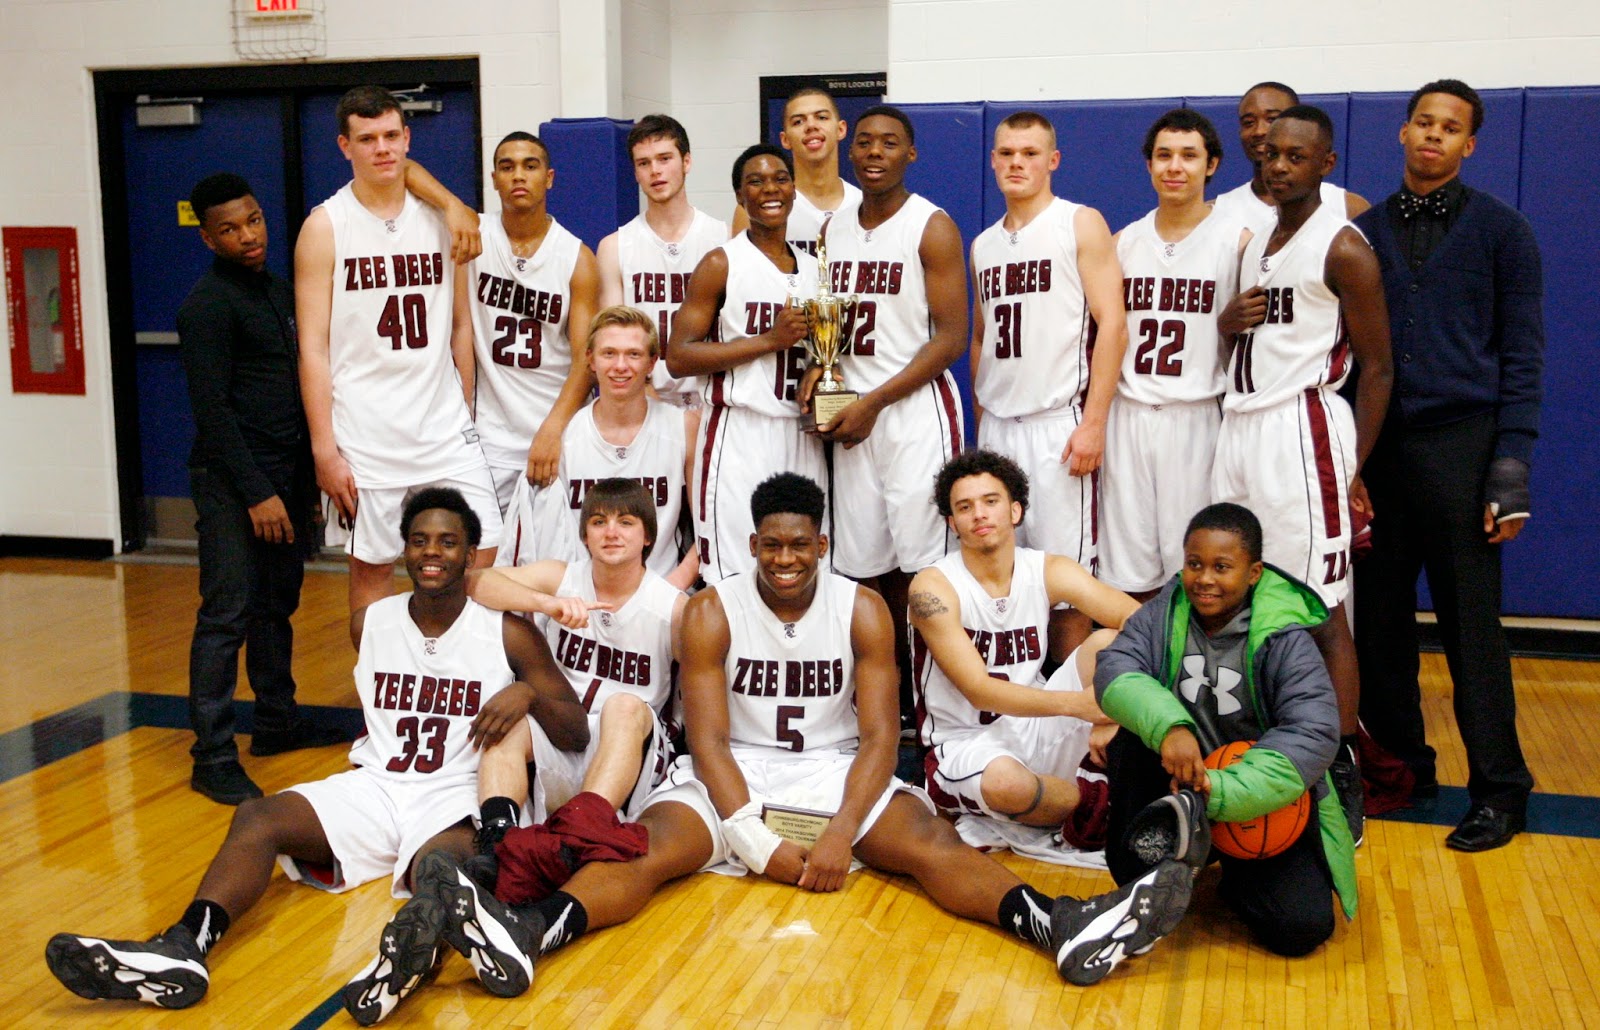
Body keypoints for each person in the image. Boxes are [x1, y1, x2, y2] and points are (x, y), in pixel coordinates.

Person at [44, 489, 588, 1019]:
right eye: (419, 540)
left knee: (441, 873)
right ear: (403, 549)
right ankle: (184, 945)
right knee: (258, 817)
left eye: (448, 543)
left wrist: (530, 694)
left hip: (455, 792)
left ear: (471, 555)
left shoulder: (507, 634)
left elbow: (576, 732)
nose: (431, 552)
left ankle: (406, 965)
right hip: (377, 785)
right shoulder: (370, 623)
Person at [1352, 79, 1543, 852]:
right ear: (1403, 133)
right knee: (1382, 626)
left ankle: (1501, 790)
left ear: (1469, 145)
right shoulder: (1361, 234)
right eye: (1423, 122)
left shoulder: (1505, 232)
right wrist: (1352, 463)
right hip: (1382, 449)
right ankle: (1405, 769)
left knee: (1472, 630)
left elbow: (1523, 356)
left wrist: (1511, 467)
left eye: (1451, 127)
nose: (1434, 135)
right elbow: (1347, 359)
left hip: (1464, 446)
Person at [1214, 105, 1394, 845]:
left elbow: (1379, 367)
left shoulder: (1343, 246)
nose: (1277, 164)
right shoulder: (1258, 241)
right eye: (1269, 154)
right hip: (1241, 424)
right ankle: (1272, 742)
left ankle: (1341, 765)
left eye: (1295, 156)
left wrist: (1352, 468)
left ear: (1325, 163)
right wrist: (1228, 323)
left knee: (1321, 610)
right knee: (1252, 596)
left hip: (1302, 428)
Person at [1094, 502, 1357, 958]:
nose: (1205, 579)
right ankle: (1164, 862)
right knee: (1132, 738)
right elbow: (1115, 670)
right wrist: (1172, 728)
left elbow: (1313, 733)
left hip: (1248, 796)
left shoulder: (1284, 636)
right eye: (1194, 564)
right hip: (1177, 778)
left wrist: (1218, 790)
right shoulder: (1163, 613)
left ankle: (1231, 867)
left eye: (1222, 567)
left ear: (1253, 572)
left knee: (1300, 929)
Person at [295, 85, 503, 617]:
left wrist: (466, 407)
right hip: (366, 436)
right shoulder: (325, 227)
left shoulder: (442, 219)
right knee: (372, 573)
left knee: (483, 556)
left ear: (407, 138)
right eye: (367, 139)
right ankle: (378, 698)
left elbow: (461, 326)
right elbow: (313, 351)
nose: (382, 149)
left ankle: (461, 683)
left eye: (391, 135)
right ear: (345, 146)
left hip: (442, 428)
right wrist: (324, 448)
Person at [177, 172, 345, 806]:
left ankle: (275, 723)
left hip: (283, 477)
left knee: (276, 605)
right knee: (226, 613)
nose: (248, 235)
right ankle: (212, 753)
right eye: (229, 228)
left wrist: (297, 485)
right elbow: (212, 413)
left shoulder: (277, 290)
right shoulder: (206, 307)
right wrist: (255, 493)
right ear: (208, 237)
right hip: (232, 485)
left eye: (253, 220)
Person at [811, 104, 969, 714]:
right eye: (867, 143)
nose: (875, 152)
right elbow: (829, 332)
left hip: (912, 414)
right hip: (855, 417)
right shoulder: (833, 230)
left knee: (924, 568)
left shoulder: (931, 226)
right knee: (862, 568)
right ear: (852, 152)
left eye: (890, 143)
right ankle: (885, 704)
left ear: (911, 154)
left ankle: (939, 705)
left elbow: (950, 339)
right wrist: (818, 382)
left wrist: (874, 401)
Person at [910, 451, 1137, 845]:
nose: (979, 514)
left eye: (990, 501)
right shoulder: (931, 589)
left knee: (1108, 645)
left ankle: (1079, 802)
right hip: (965, 742)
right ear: (953, 523)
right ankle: (1105, 807)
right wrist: (1081, 705)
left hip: (1036, 722)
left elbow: (1140, 623)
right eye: (965, 507)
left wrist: (1119, 707)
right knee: (1008, 785)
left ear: (1015, 511)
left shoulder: (1048, 569)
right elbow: (979, 689)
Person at [968, 110, 1130, 661]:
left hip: (1057, 427)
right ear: (993, 160)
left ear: (1052, 161)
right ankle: (1018, 701)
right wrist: (981, 414)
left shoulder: (1078, 222)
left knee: (1067, 587)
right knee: (1001, 578)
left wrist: (1094, 423)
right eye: (1007, 153)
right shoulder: (984, 244)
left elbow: (1113, 323)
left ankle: (1069, 718)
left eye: (1030, 153)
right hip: (999, 429)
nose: (1017, 163)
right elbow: (980, 337)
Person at [472, 477, 686, 839]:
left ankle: (581, 833)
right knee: (507, 729)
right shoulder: (562, 578)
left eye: (626, 522)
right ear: (585, 535)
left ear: (648, 537)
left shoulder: (673, 606)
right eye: (599, 522)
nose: (611, 532)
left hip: (634, 747)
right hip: (566, 731)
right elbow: (475, 581)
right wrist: (546, 603)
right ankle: (497, 840)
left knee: (623, 705)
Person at [1101, 110, 1243, 600]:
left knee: (1195, 566)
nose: (1174, 167)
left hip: (1197, 416)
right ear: (1149, 165)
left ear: (1212, 165)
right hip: (1129, 415)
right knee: (1127, 569)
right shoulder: (1121, 243)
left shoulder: (1238, 241)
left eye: (1188, 155)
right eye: (1164, 155)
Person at [665, 144, 824, 583]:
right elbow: (678, 356)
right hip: (739, 432)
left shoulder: (814, 270)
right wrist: (769, 340)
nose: (770, 189)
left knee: (804, 569)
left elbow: (823, 351)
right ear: (739, 195)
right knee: (734, 570)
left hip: (801, 433)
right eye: (756, 181)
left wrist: (821, 370)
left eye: (780, 179)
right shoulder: (721, 263)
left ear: (794, 190)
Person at [497, 307, 698, 588]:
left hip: (662, 591)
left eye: (633, 354)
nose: (620, 365)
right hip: (580, 604)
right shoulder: (561, 439)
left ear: (652, 362)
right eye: (609, 353)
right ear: (590, 359)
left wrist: (668, 592)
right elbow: (544, 541)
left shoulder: (683, 427)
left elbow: (709, 526)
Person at [463, 131, 600, 513]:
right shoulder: (473, 236)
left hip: (555, 428)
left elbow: (584, 360)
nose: (518, 176)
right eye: (507, 167)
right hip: (489, 435)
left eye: (530, 166)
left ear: (550, 178)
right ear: (493, 179)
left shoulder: (576, 257)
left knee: (550, 563)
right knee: (485, 560)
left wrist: (553, 429)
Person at [597, 114, 730, 410]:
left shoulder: (723, 238)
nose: (655, 171)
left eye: (664, 158)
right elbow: (613, 337)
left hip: (712, 398)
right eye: (644, 163)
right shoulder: (614, 246)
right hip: (643, 400)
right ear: (635, 172)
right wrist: (646, 396)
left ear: (686, 162)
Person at [1212, 82, 1369, 231]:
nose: (1259, 131)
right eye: (1248, 122)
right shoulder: (1217, 211)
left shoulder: (1347, 206)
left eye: (1272, 119)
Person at [731, 86, 862, 253]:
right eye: (798, 121)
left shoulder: (862, 204)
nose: (811, 126)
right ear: (785, 140)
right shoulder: (755, 207)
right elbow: (741, 273)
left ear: (841, 129)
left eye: (821, 117)